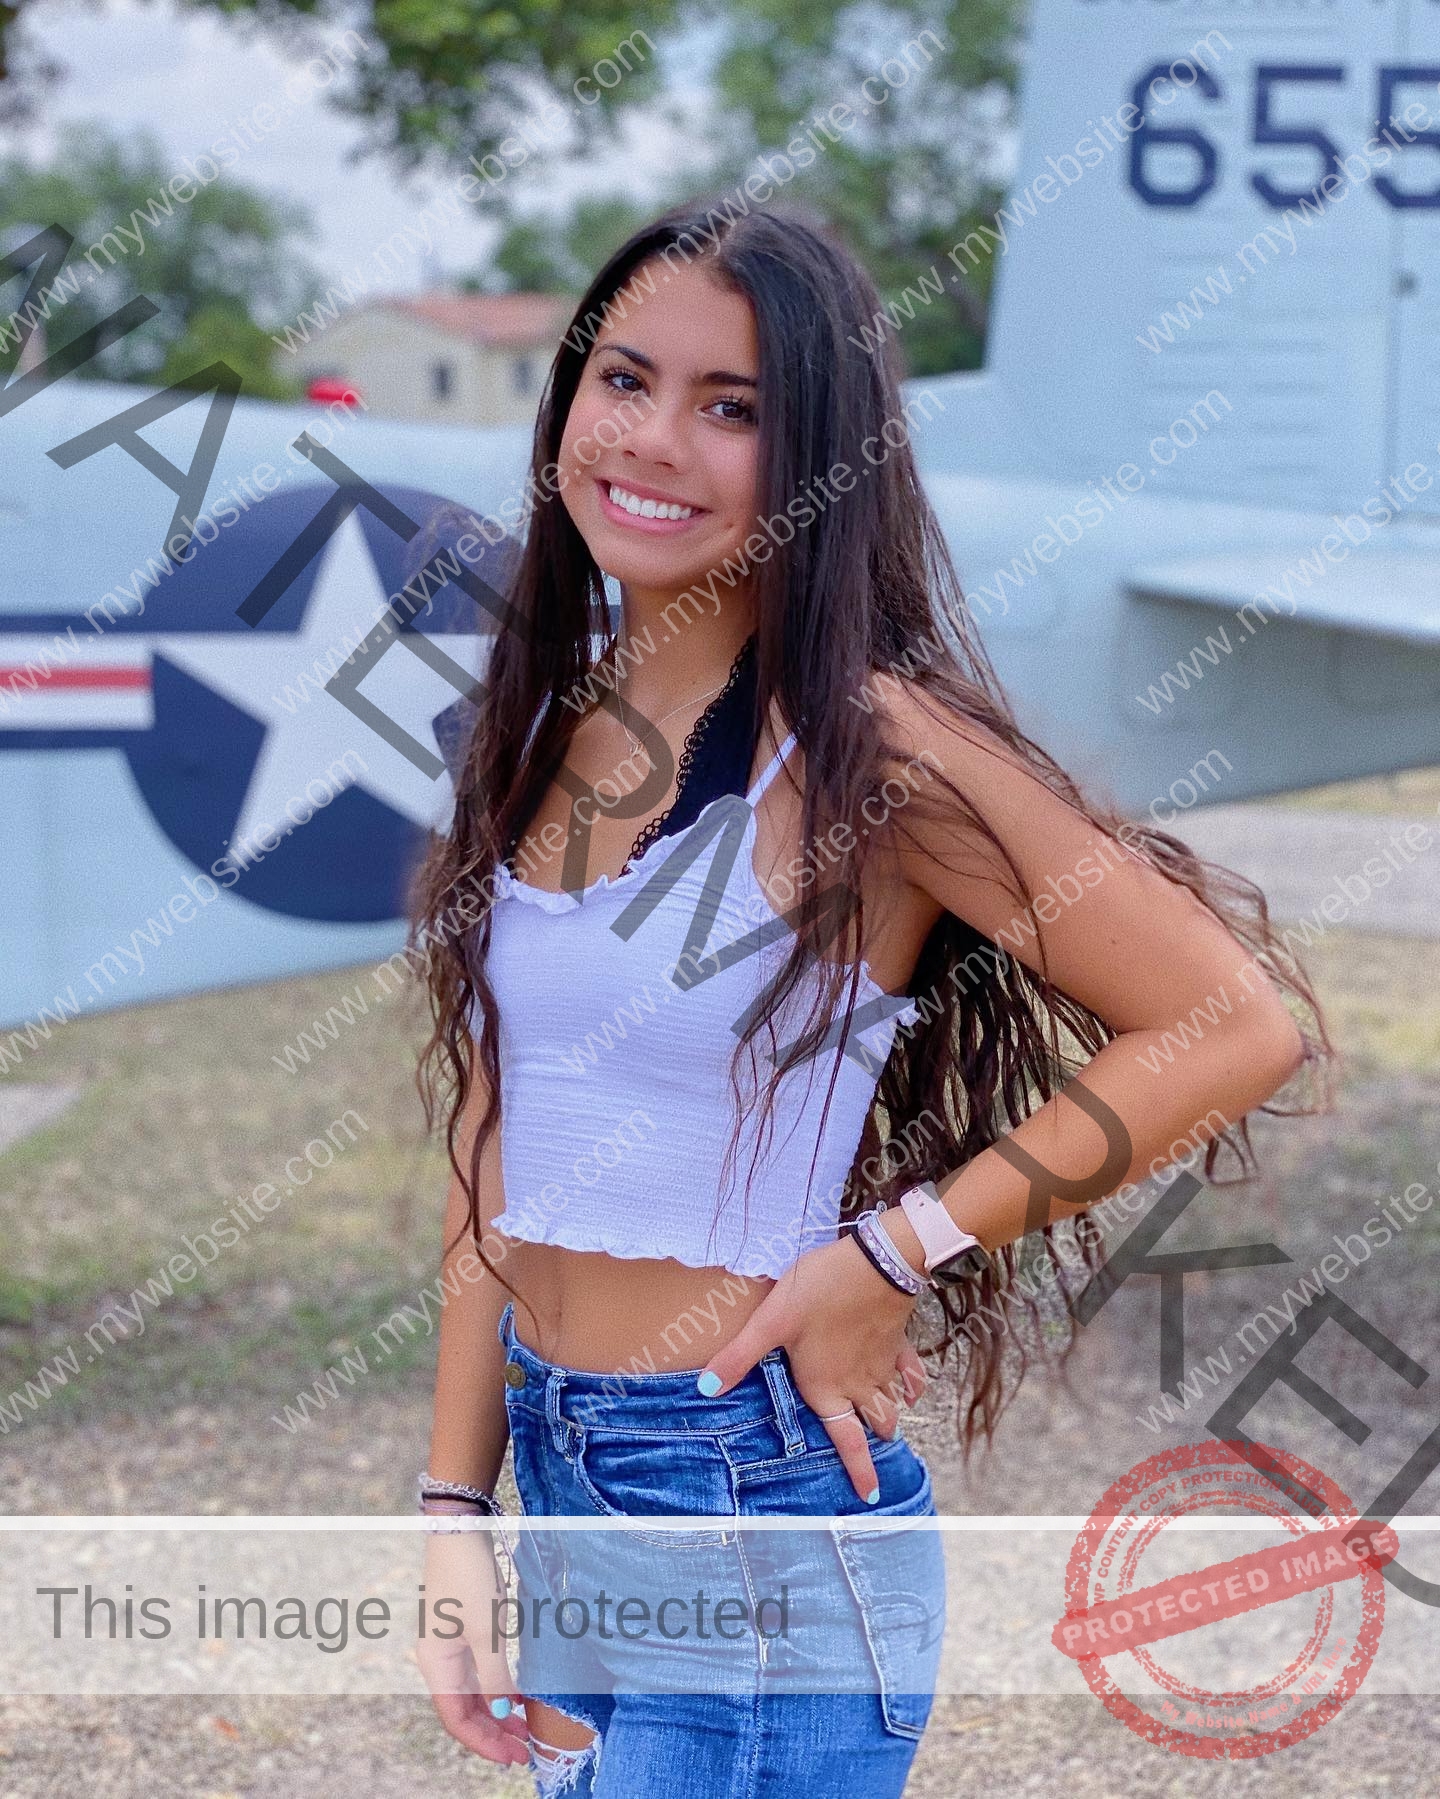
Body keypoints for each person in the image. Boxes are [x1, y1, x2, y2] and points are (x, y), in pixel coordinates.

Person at [406, 196, 1333, 1795]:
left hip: (746, 1501)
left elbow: (1232, 1022)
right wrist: (452, 1509)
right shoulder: (550, 722)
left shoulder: (872, 751)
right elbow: (500, 1137)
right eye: (623, 380)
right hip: (568, 1477)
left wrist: (901, 1247)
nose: (653, 439)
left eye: (735, 409)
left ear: (821, 454)